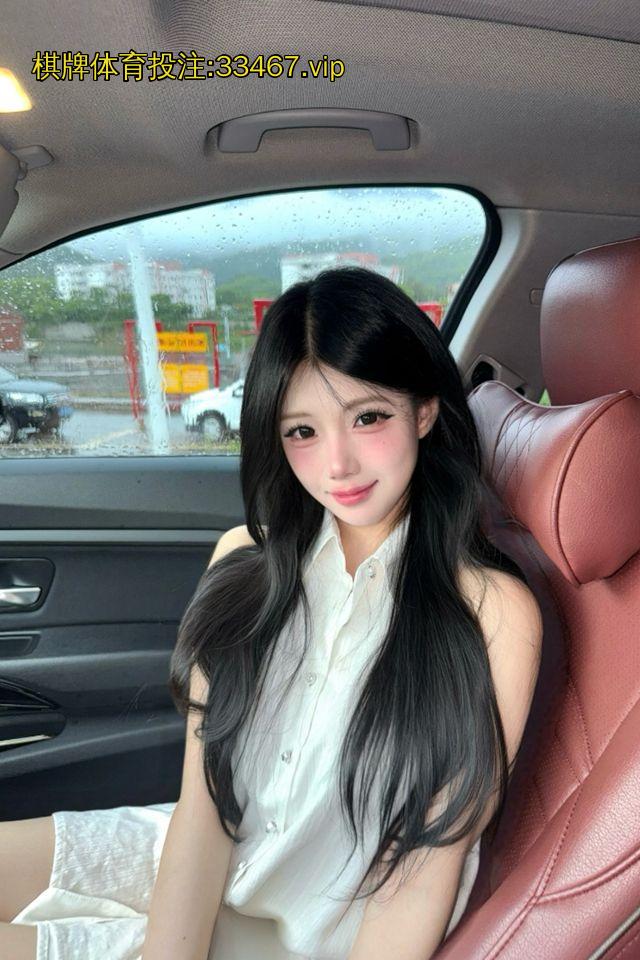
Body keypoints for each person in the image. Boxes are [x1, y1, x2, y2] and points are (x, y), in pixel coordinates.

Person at [3, 267, 542, 960]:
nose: (338, 464)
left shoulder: (493, 615)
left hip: (296, 938)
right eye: (302, 431)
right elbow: (205, 807)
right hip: (201, 856)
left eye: (368, 417)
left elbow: (423, 874)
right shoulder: (242, 564)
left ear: (424, 412)